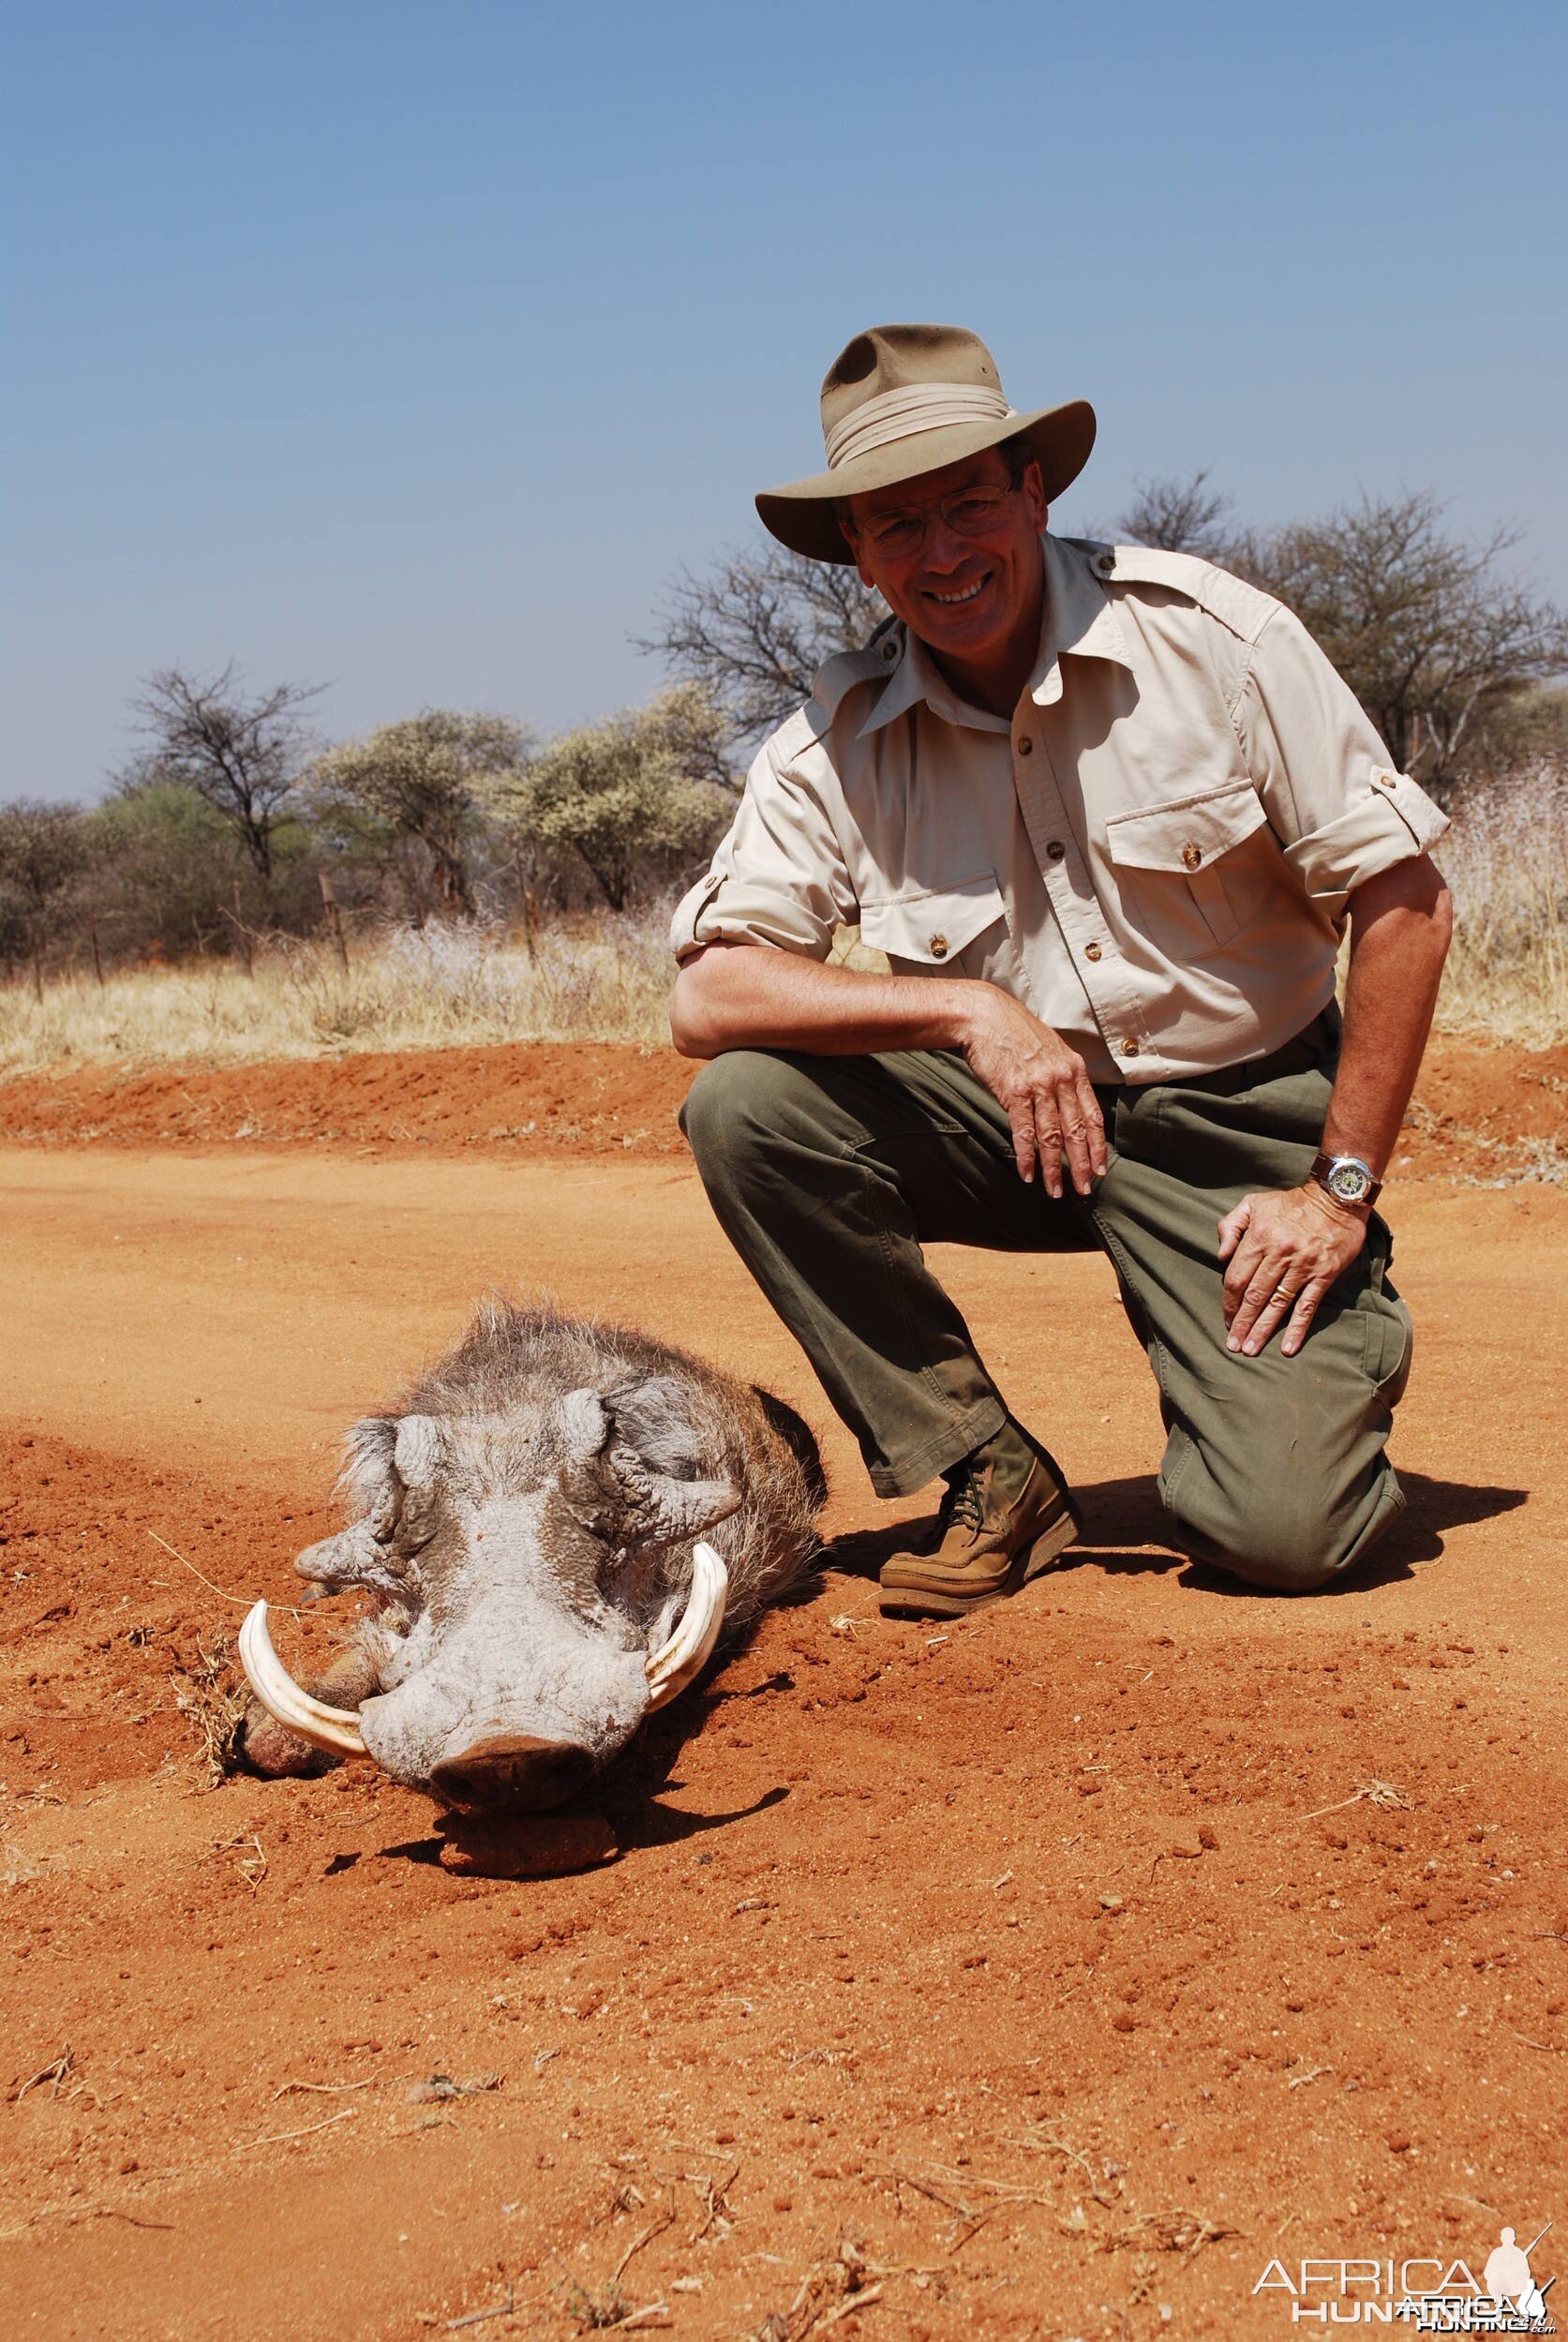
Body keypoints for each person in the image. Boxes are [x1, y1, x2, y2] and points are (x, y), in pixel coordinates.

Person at [668, 322, 1453, 1618]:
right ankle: (985, 1466)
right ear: (854, 552)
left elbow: (1404, 899)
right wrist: (966, 1008)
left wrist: (1338, 1187)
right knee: (748, 1107)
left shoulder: (1214, 641)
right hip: (1025, 1125)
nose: (939, 554)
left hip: (1239, 1132)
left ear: (1032, 491)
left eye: (968, 503)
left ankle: (1316, 1343)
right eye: (892, 525)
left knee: (1278, 1537)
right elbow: (709, 993)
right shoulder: (833, 736)